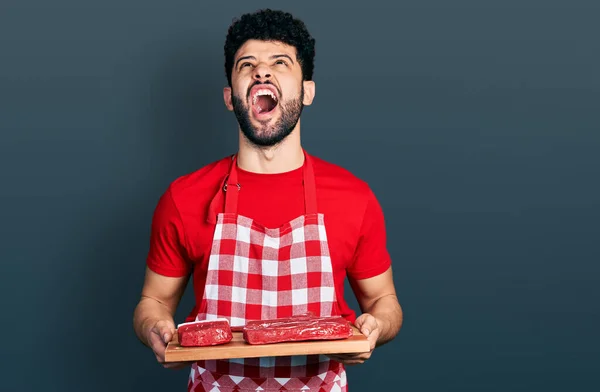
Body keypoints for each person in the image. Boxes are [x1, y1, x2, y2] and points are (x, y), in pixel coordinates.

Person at [133, 8, 403, 392]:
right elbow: (153, 302)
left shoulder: (354, 198)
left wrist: (376, 327)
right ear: (229, 97)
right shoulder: (184, 197)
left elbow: (384, 302)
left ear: (307, 90)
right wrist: (153, 328)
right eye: (248, 65)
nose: (262, 72)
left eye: (280, 62)